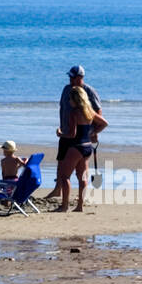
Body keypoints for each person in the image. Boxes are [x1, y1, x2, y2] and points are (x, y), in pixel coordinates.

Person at [43, 65, 101, 201]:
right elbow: (62, 108)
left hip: (81, 135)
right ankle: (58, 190)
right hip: (65, 130)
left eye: (73, 77)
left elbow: (97, 112)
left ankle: (79, 198)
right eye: (69, 76)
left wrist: (93, 131)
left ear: (80, 77)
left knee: (79, 170)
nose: (70, 79)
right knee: (61, 161)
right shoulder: (66, 89)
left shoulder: (89, 91)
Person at [55, 85, 109, 212]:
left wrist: (60, 133)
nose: (69, 101)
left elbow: (72, 134)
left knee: (65, 176)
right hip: (87, 147)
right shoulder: (89, 111)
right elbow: (104, 123)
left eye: (70, 99)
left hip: (76, 146)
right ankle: (79, 206)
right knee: (82, 177)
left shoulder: (74, 112)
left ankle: (64, 206)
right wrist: (93, 132)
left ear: (76, 99)